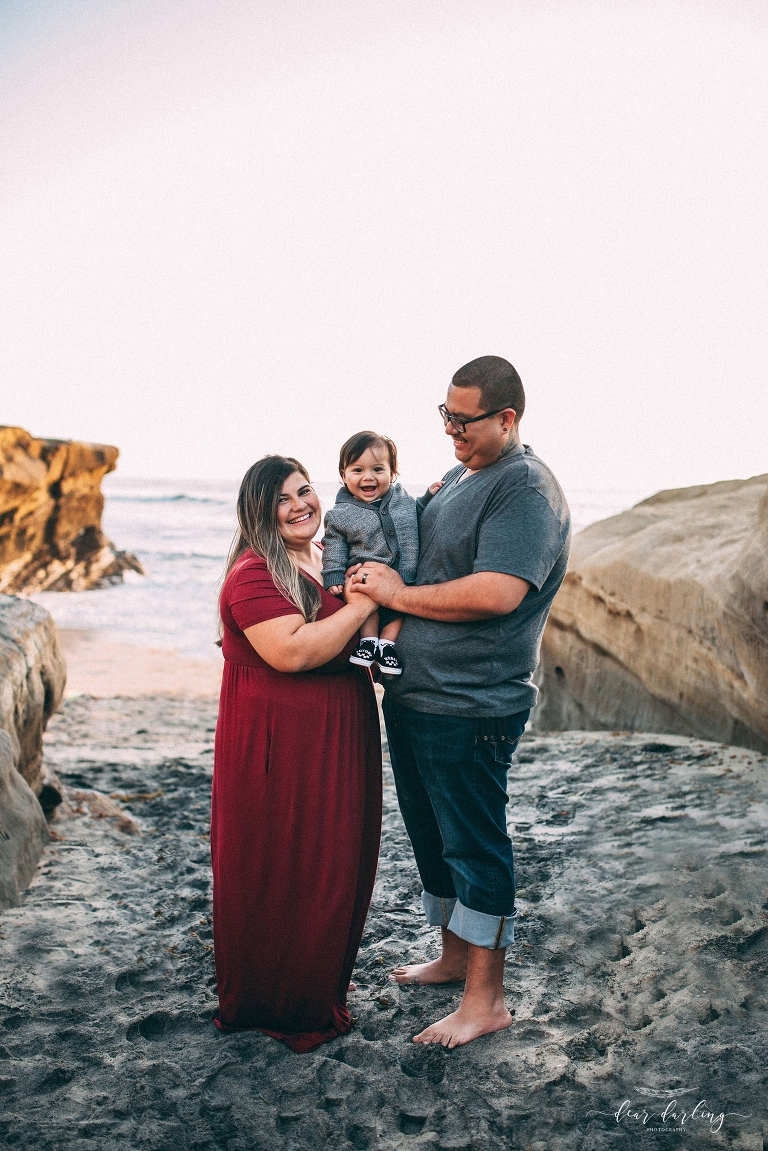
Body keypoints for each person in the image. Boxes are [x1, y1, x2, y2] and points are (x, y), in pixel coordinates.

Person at [350, 355, 571, 1048]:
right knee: (433, 839)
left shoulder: (526, 489)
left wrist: (394, 597)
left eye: (464, 419)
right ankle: (452, 958)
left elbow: (496, 591)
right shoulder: (465, 475)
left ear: (507, 418)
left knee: (476, 845)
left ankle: (487, 1001)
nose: (449, 429)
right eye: (443, 415)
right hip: (419, 696)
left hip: (472, 704)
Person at [211, 455, 382, 1053]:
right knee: (285, 866)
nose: (299, 505)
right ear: (258, 511)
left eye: (305, 491)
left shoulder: (321, 557)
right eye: (282, 499)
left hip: (335, 737)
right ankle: (277, 1004)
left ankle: (317, 989)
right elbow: (294, 653)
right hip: (279, 749)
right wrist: (364, 605)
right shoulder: (253, 573)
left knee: (335, 863)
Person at [321, 430, 441, 675]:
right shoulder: (340, 514)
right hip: (367, 576)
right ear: (343, 475)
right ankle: (368, 642)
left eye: (378, 469)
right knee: (368, 604)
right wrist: (333, 575)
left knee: (399, 610)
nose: (368, 477)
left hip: (403, 574)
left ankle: (386, 646)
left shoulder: (400, 498)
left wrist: (428, 498)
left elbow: (413, 513)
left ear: (392, 473)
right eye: (357, 470)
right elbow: (333, 546)